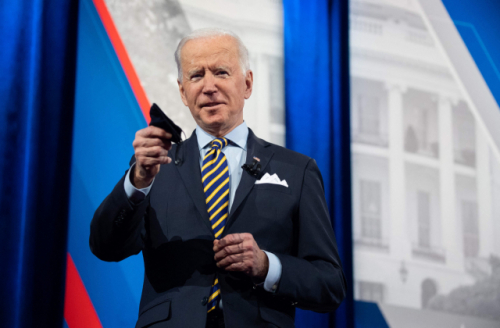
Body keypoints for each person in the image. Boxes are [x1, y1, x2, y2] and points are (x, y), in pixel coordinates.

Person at [90, 28, 346, 328]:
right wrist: (138, 181)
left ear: (247, 83)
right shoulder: (155, 166)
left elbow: (330, 285)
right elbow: (105, 246)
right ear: (183, 92)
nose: (209, 86)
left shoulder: (296, 170)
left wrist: (266, 265)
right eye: (196, 75)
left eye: (221, 72)